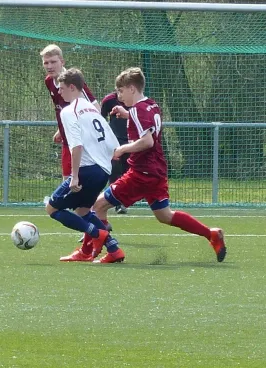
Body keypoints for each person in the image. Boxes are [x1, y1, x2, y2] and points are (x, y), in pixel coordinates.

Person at [93, 67, 227, 263]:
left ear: (131, 88)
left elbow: (147, 141)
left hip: (142, 172)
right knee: (165, 215)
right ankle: (211, 234)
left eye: (121, 91)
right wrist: (127, 114)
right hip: (156, 170)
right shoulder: (151, 105)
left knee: (98, 206)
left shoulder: (138, 110)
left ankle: (111, 251)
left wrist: (123, 149)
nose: (119, 96)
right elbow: (145, 122)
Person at [45, 68, 125, 264]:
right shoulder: (93, 111)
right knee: (83, 211)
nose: (60, 93)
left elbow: (76, 145)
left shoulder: (68, 111)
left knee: (52, 209)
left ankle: (99, 234)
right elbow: (114, 147)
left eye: (62, 88)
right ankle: (114, 249)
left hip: (86, 170)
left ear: (72, 87)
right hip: (103, 171)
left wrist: (74, 176)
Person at [40, 44, 100, 180]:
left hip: (81, 142)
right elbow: (60, 107)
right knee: (67, 180)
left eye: (53, 62)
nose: (49, 66)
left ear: (62, 62)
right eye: (46, 63)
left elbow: (96, 109)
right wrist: (60, 129)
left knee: (80, 181)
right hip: (67, 139)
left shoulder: (73, 81)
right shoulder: (49, 81)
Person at [101, 90, 130, 214]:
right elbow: (101, 119)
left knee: (128, 172)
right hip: (114, 141)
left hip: (132, 141)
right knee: (114, 171)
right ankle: (118, 203)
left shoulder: (134, 100)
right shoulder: (108, 100)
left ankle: (128, 199)